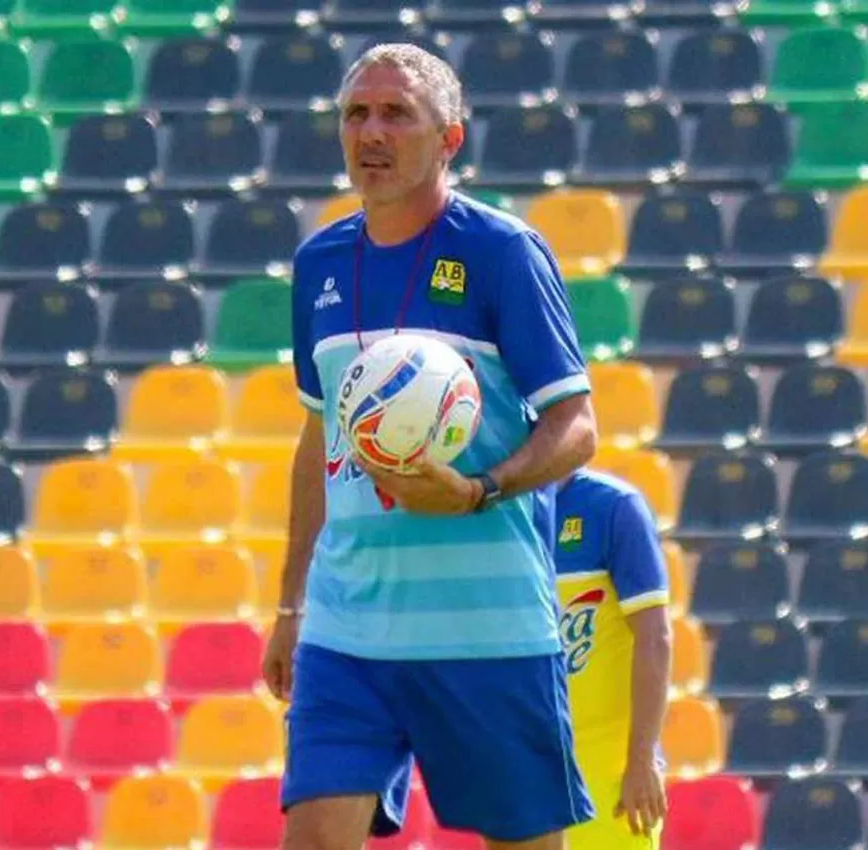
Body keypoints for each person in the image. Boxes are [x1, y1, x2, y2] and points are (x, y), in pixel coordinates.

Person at [262, 42, 601, 850]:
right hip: (350, 629)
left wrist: (478, 488)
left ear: (450, 139)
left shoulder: (502, 251)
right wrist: (289, 607)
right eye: (356, 114)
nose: (370, 132)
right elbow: (320, 437)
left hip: (487, 627)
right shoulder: (318, 263)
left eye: (395, 114)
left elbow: (576, 426)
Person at [554, 471, 673, 849]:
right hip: (529, 768)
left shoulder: (614, 506)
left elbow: (655, 638)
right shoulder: (502, 510)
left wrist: (640, 762)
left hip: (609, 772)